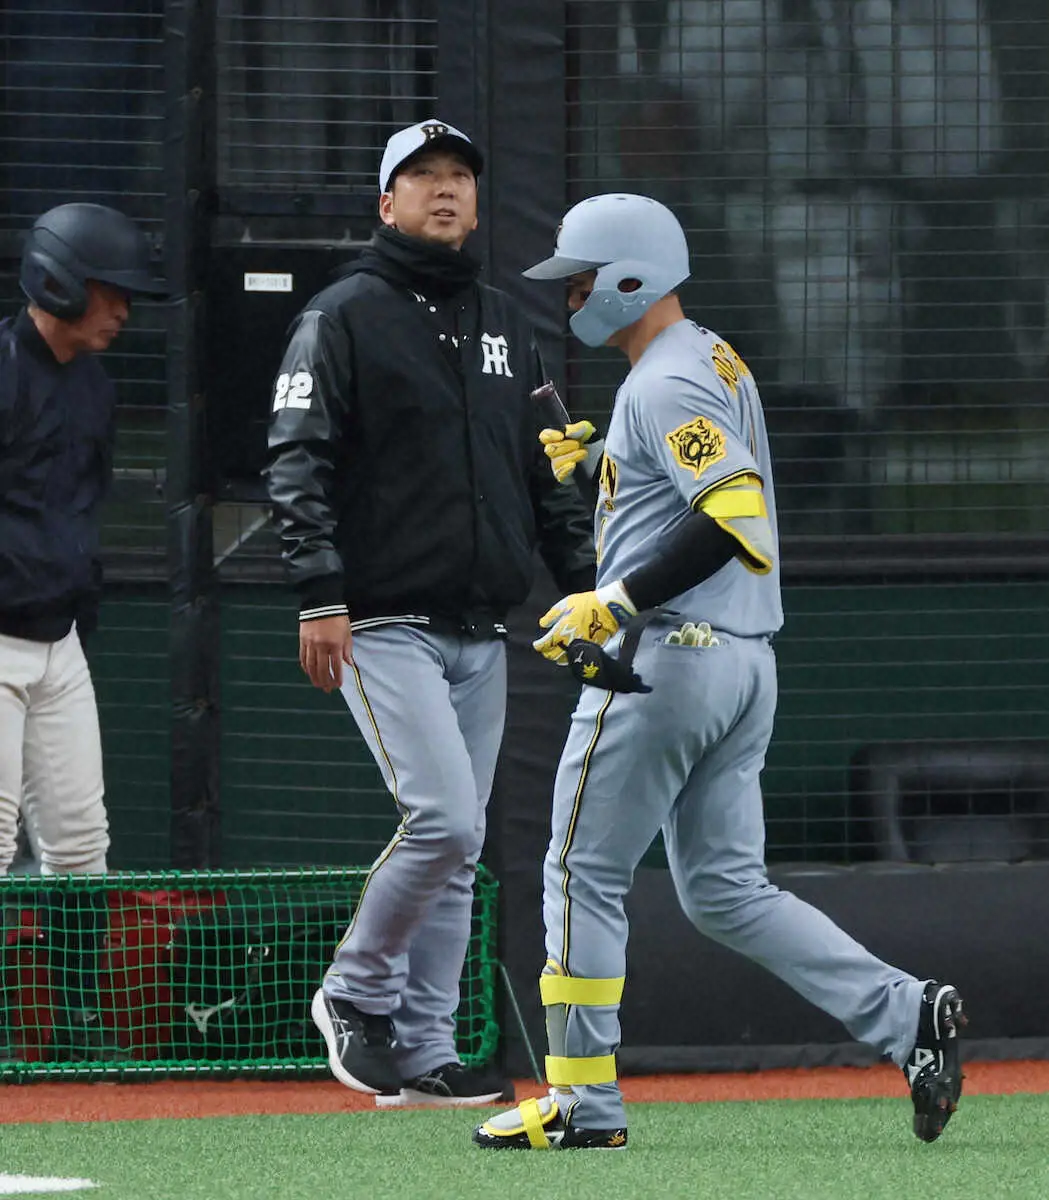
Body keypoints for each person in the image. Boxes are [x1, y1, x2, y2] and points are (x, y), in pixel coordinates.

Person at [473, 193, 966, 1150]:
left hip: (666, 658)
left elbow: (732, 514)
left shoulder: (662, 381)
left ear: (631, 277)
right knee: (725, 891)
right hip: (741, 666)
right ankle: (907, 1014)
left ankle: (581, 1104)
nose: (570, 298)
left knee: (578, 869)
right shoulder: (705, 354)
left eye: (581, 280)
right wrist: (608, 467)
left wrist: (615, 601)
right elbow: (696, 492)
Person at [265, 119, 596, 1107]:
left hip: (479, 626)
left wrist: (584, 589)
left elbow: (547, 472)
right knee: (444, 821)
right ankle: (353, 991)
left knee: (459, 847)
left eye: (458, 175)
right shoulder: (341, 315)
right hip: (379, 619)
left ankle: (421, 1050)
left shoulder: (505, 322)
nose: (444, 188)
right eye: (421, 176)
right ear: (386, 202)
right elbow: (295, 460)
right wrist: (319, 593)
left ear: (477, 202)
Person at [0, 202, 166, 1063]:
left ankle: (66, 1040)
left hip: (58, 640)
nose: (123, 309)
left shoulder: (94, 386)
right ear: (60, 283)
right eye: (110, 291)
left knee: (80, 846)